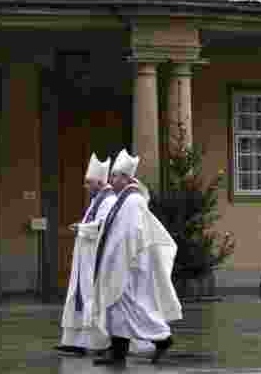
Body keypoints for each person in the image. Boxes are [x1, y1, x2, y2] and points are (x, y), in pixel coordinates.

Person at [90, 149, 181, 367]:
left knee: (134, 310)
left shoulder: (132, 201)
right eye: (111, 176)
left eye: (114, 176)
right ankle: (118, 353)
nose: (111, 180)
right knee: (117, 311)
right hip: (120, 263)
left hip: (128, 266)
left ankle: (163, 340)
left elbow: (130, 235)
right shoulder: (124, 200)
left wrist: (117, 260)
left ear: (126, 178)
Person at [57, 153, 117, 356]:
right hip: (86, 258)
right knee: (80, 297)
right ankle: (76, 340)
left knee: (90, 297)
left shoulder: (108, 201)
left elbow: (102, 226)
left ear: (100, 182)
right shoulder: (96, 200)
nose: (85, 186)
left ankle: (95, 341)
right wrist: (82, 227)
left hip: (94, 260)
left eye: (88, 182)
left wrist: (81, 228)